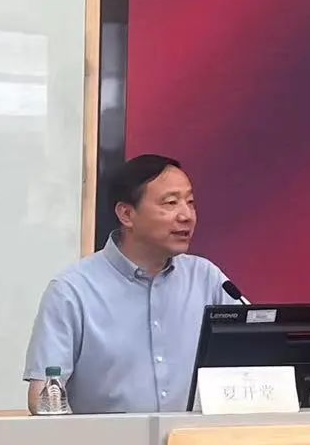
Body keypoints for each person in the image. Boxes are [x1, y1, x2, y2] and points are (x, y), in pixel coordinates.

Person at [24, 154, 238, 413]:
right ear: (126, 214)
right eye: (171, 203)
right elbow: (45, 399)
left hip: (192, 438)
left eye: (190, 203)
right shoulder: (72, 290)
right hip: (106, 439)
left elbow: (254, 362)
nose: (186, 215)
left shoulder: (206, 278)